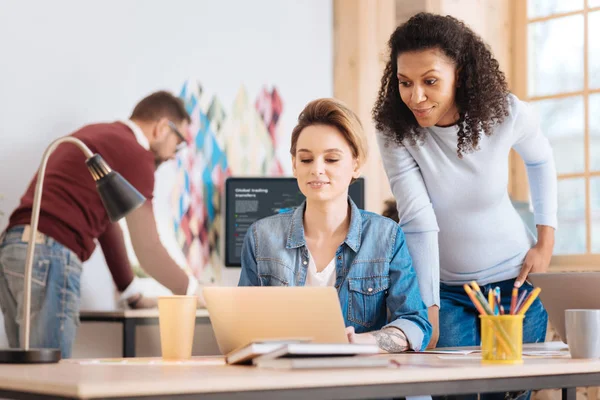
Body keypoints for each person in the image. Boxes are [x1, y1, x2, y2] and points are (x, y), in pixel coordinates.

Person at [372, 12, 557, 399]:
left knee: (510, 392)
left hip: (515, 282)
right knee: (451, 391)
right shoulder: (396, 131)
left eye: (431, 81)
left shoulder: (506, 114)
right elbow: (418, 219)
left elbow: (540, 160)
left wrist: (546, 240)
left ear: (461, 75)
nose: (416, 97)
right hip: (448, 288)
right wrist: (429, 308)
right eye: (405, 83)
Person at [0, 91, 204, 358]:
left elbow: (108, 226)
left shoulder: (101, 135)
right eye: (178, 144)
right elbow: (149, 249)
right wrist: (194, 294)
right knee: (52, 380)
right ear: (162, 128)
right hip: (50, 257)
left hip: (14, 250)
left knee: (29, 378)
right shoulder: (136, 154)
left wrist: (131, 293)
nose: (173, 156)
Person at [238, 98, 432, 353]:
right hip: (283, 381)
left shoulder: (386, 236)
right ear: (295, 164)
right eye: (306, 159)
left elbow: (415, 324)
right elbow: (242, 325)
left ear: (355, 164)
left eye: (331, 159)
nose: (317, 169)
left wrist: (366, 341)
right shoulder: (261, 237)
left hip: (358, 383)